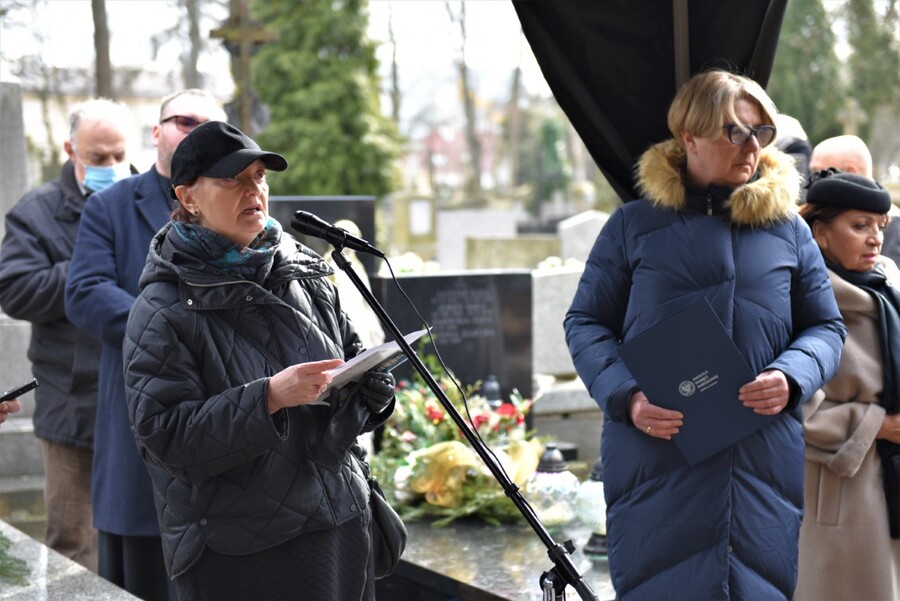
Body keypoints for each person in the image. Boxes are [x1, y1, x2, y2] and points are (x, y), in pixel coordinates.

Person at [564, 69, 846, 600]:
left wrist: (792, 376)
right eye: (734, 131)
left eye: (761, 133)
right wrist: (627, 397)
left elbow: (826, 328)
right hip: (656, 459)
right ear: (688, 135)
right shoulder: (632, 227)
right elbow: (585, 323)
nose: (752, 147)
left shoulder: (789, 231)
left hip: (761, 465)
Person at [121, 120, 396, 601]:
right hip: (242, 549)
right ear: (188, 197)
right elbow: (166, 436)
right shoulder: (163, 307)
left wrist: (372, 388)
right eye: (233, 180)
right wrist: (269, 398)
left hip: (339, 518)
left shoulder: (305, 271)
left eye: (259, 178)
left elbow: (352, 361)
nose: (254, 191)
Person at [65, 89, 227, 601]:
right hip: (141, 415)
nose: (194, 131)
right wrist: (172, 325)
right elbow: (85, 292)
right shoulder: (111, 206)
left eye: (209, 125)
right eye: (184, 121)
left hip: (223, 418)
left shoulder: (234, 205)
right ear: (156, 133)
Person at [0, 97, 135, 571]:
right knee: (73, 545)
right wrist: (87, 269)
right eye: (98, 158)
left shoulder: (150, 200)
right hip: (72, 402)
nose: (112, 167)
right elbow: (14, 291)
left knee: (146, 541)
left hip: (145, 394)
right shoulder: (34, 212)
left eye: (120, 156)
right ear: (70, 149)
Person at [794, 170, 900, 600]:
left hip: (889, 484)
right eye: (859, 226)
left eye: (880, 226)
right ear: (820, 231)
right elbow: (793, 413)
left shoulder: (884, 293)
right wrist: (877, 424)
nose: (874, 238)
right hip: (838, 494)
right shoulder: (800, 302)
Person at [810, 134, 900, 262]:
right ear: (820, 232)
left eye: (821, 173)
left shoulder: (894, 223)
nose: (813, 182)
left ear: (851, 171)